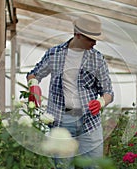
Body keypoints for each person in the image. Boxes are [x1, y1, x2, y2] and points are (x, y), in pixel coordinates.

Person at [26, 13, 114, 169]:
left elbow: (108, 92)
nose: (94, 43)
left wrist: (101, 101)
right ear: (78, 35)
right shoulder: (54, 54)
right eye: (91, 39)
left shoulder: (97, 59)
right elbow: (34, 74)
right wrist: (33, 85)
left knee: (93, 166)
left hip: (89, 123)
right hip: (61, 121)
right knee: (62, 166)